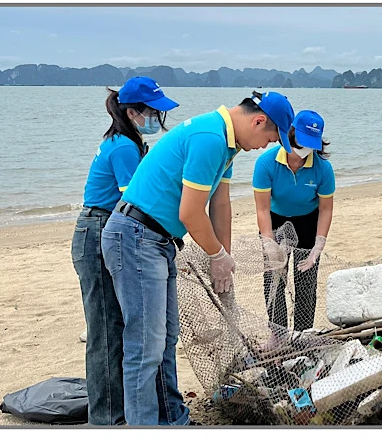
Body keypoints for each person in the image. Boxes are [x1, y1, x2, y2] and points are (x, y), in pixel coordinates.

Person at [100, 90, 295, 425]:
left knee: (166, 338)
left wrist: (225, 261)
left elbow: (220, 206)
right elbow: (190, 213)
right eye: (271, 137)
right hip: (135, 237)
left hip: (159, 240)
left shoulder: (228, 142)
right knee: (144, 346)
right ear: (258, 120)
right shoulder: (210, 138)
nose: (267, 145)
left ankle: (172, 419)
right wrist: (215, 254)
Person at [71, 76, 178, 425]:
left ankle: (123, 413)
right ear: (132, 112)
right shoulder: (124, 148)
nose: (157, 120)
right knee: (105, 330)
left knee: (123, 327)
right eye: (152, 112)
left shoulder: (127, 142)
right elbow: (135, 200)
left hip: (107, 227)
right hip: (101, 228)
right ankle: (106, 420)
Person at [252, 110, 335, 336]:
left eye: (311, 144)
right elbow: (262, 208)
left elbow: (326, 209)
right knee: (274, 280)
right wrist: (268, 243)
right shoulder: (266, 163)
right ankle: (278, 335)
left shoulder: (323, 169)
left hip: (309, 221)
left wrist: (319, 244)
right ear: (290, 134)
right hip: (275, 220)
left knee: (306, 281)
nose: (304, 150)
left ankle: (302, 335)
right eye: (301, 142)